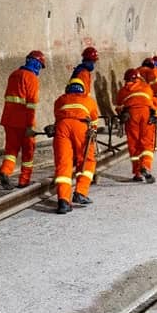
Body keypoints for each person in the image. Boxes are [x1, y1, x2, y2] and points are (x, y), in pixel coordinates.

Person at [0, 50, 46, 190]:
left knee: (11, 150)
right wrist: (30, 126)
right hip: (23, 122)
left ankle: (5, 171)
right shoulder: (31, 78)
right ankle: (24, 180)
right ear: (37, 64)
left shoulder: (14, 74)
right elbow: (31, 105)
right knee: (28, 150)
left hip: (8, 119)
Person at [52, 81, 100, 214]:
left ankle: (63, 201)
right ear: (82, 90)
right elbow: (94, 121)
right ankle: (80, 192)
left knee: (63, 163)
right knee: (87, 160)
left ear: (68, 89)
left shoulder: (60, 100)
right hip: (81, 126)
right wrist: (93, 131)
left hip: (62, 127)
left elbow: (57, 116)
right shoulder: (88, 100)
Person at [114, 68, 156, 182]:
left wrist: (122, 115)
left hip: (131, 115)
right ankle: (145, 166)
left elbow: (118, 107)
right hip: (146, 114)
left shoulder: (123, 90)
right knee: (146, 142)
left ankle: (137, 173)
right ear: (138, 78)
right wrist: (154, 114)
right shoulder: (146, 87)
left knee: (134, 143)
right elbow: (152, 102)